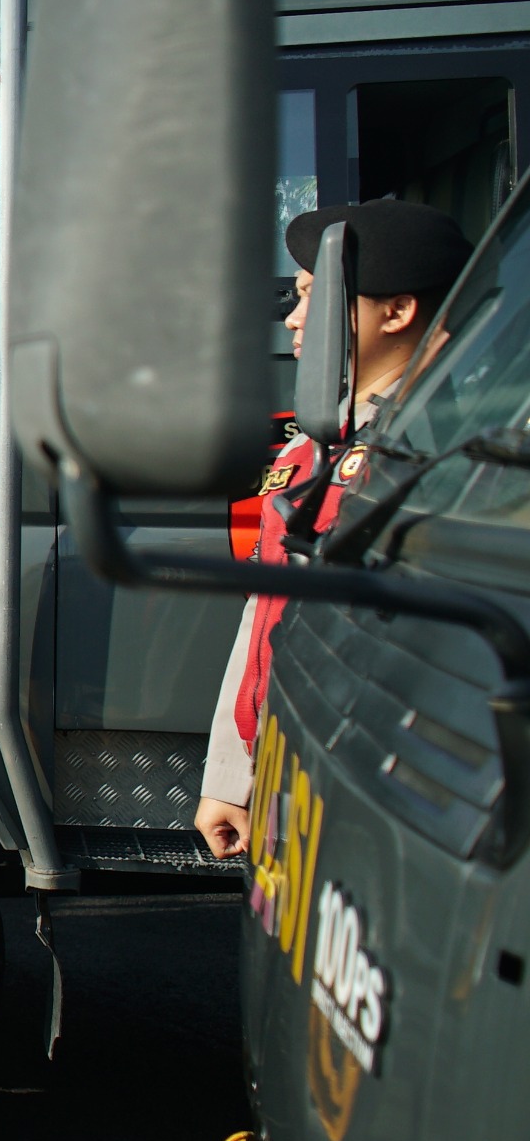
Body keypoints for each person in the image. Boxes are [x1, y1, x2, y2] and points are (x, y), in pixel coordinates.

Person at [194, 199, 472, 859]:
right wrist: (233, 776)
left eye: (315, 295)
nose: (293, 316)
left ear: (397, 311)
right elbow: (264, 619)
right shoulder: (311, 453)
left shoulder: (449, 461)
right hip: (294, 779)